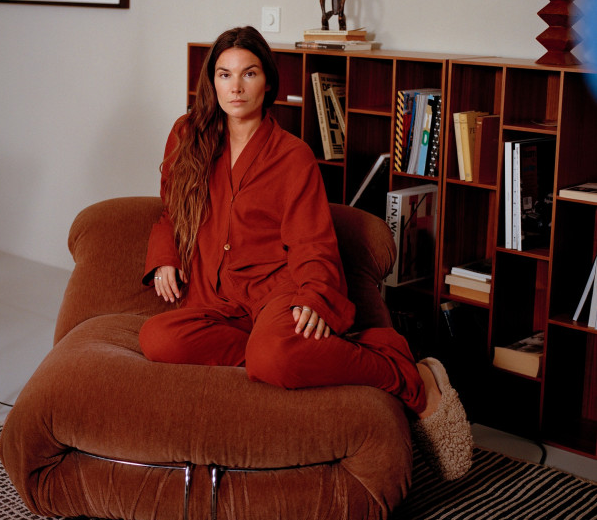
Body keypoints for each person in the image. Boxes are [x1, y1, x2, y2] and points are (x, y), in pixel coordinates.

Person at [140, 26, 472, 481]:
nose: (235, 87)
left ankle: (407, 375)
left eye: (248, 73)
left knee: (274, 358)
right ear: (211, 82)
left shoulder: (293, 156)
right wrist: (165, 256)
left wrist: (315, 297)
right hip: (218, 299)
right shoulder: (188, 136)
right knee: (157, 338)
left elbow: (313, 240)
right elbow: (169, 211)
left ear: (268, 83)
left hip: (279, 292)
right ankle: (277, 350)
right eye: (224, 74)